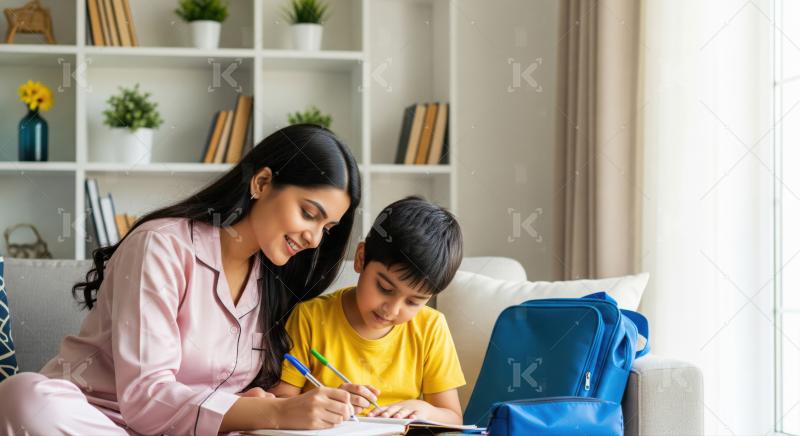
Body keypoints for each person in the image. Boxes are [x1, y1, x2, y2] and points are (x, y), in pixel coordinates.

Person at [0, 124, 362, 435]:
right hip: (98, 420)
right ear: (262, 182)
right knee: (25, 398)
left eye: (327, 228)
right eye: (308, 213)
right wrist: (274, 413)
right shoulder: (161, 245)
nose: (314, 239)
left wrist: (309, 406)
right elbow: (146, 397)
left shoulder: (274, 281)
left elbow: (237, 401)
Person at [270, 196, 466, 425]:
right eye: (384, 288)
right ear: (361, 258)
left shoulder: (431, 328)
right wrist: (324, 404)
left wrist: (424, 410)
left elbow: (453, 419)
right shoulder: (309, 318)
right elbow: (279, 404)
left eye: (413, 302)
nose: (392, 310)